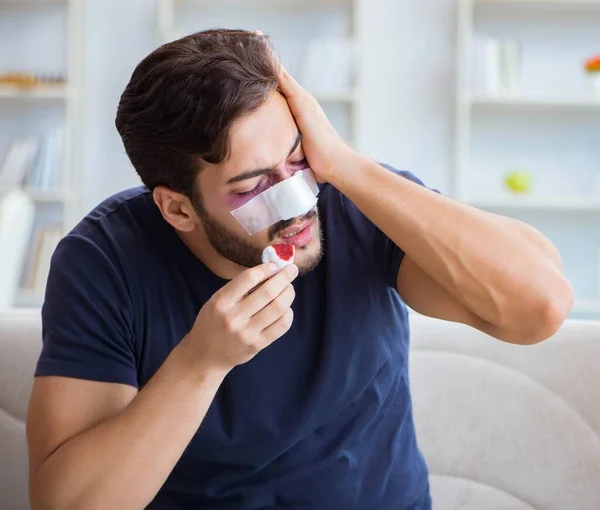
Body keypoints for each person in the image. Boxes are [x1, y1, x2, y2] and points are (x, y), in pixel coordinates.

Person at [26, 29, 573, 510]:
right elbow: (71, 504)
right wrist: (199, 365)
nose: (295, 200)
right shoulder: (103, 260)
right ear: (177, 208)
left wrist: (344, 163)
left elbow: (540, 307)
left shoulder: (351, 198)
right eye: (253, 186)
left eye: (297, 157)